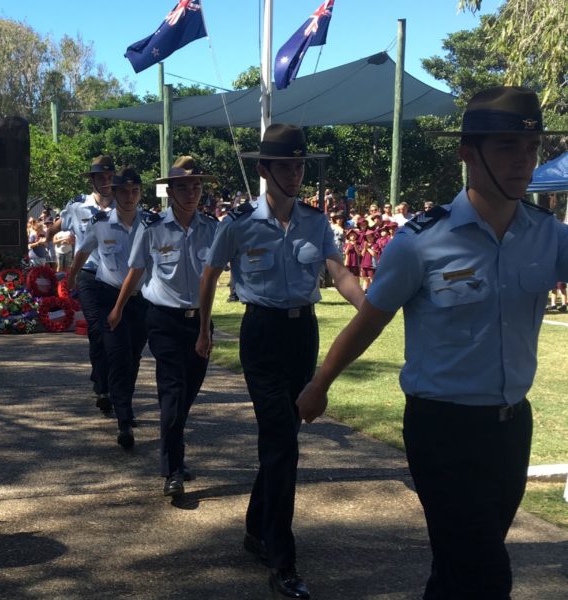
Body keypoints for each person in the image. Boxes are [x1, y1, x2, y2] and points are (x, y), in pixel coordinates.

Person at [296, 86, 568, 600]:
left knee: (459, 565)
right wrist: (320, 383)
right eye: (508, 146)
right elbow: (369, 321)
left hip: (512, 428)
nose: (525, 162)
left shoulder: (549, 236)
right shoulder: (420, 241)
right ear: (469, 153)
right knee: (485, 571)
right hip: (443, 429)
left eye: (532, 148)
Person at [196, 125, 364, 600]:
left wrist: (370, 308)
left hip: (302, 334)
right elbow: (209, 274)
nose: (295, 173)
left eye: (300, 164)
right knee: (282, 444)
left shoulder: (315, 221)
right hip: (262, 335)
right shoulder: (238, 222)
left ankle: (255, 529)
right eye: (286, 166)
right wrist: (204, 327)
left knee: (282, 438)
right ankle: (282, 559)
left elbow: (339, 271)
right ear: (264, 170)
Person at [108, 156, 218, 498]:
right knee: (172, 391)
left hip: (199, 321)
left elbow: (215, 279)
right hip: (163, 320)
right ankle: (172, 471)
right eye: (183, 187)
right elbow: (136, 271)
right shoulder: (152, 229)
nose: (191, 193)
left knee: (186, 395)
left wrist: (204, 329)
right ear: (169, 192)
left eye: (196, 186)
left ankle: (174, 450)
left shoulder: (212, 229)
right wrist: (118, 307)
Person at [67, 167, 148, 449]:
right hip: (107, 296)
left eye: (135, 191)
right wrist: (70, 277)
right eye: (123, 191)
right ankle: (123, 419)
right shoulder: (100, 223)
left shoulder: (150, 224)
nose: (129, 197)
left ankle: (125, 399)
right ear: (114, 194)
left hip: (140, 301)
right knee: (117, 354)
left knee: (134, 356)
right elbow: (84, 251)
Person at [48, 156, 116, 413]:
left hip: (116, 278)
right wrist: (47, 237)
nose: (107, 182)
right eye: (101, 177)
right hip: (88, 275)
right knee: (98, 329)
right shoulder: (78, 207)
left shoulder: (125, 203)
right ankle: (103, 386)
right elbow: (59, 224)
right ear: (93, 180)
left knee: (116, 332)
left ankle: (110, 381)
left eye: (110, 177)